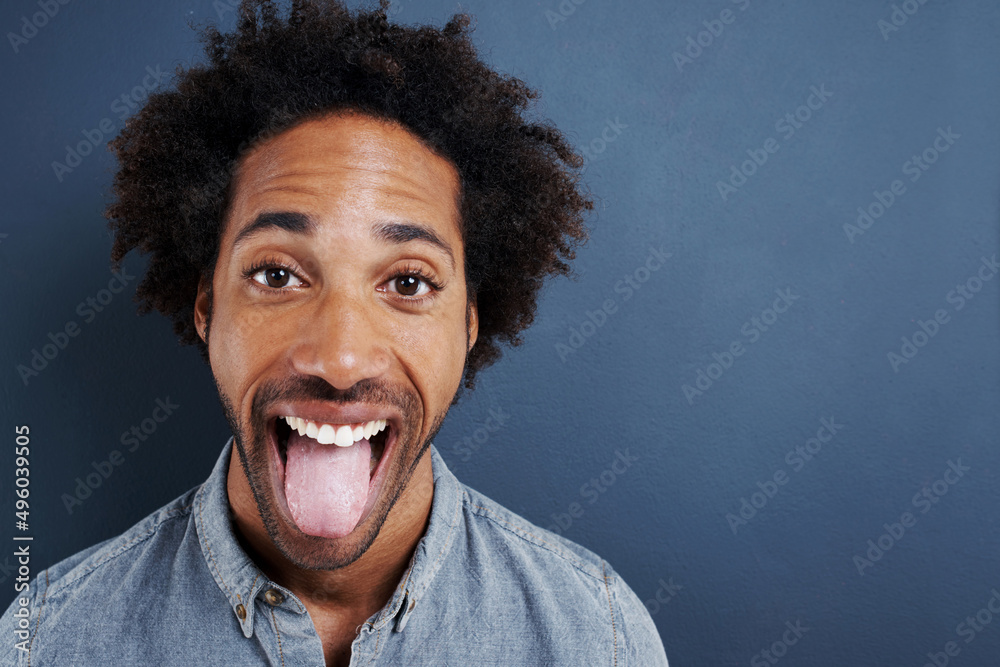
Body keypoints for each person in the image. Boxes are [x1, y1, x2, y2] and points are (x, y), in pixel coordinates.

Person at [2, 1, 668, 664]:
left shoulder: (596, 636)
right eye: (277, 273)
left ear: (470, 322)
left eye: (408, 282)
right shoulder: (49, 640)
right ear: (206, 304)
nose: (341, 359)